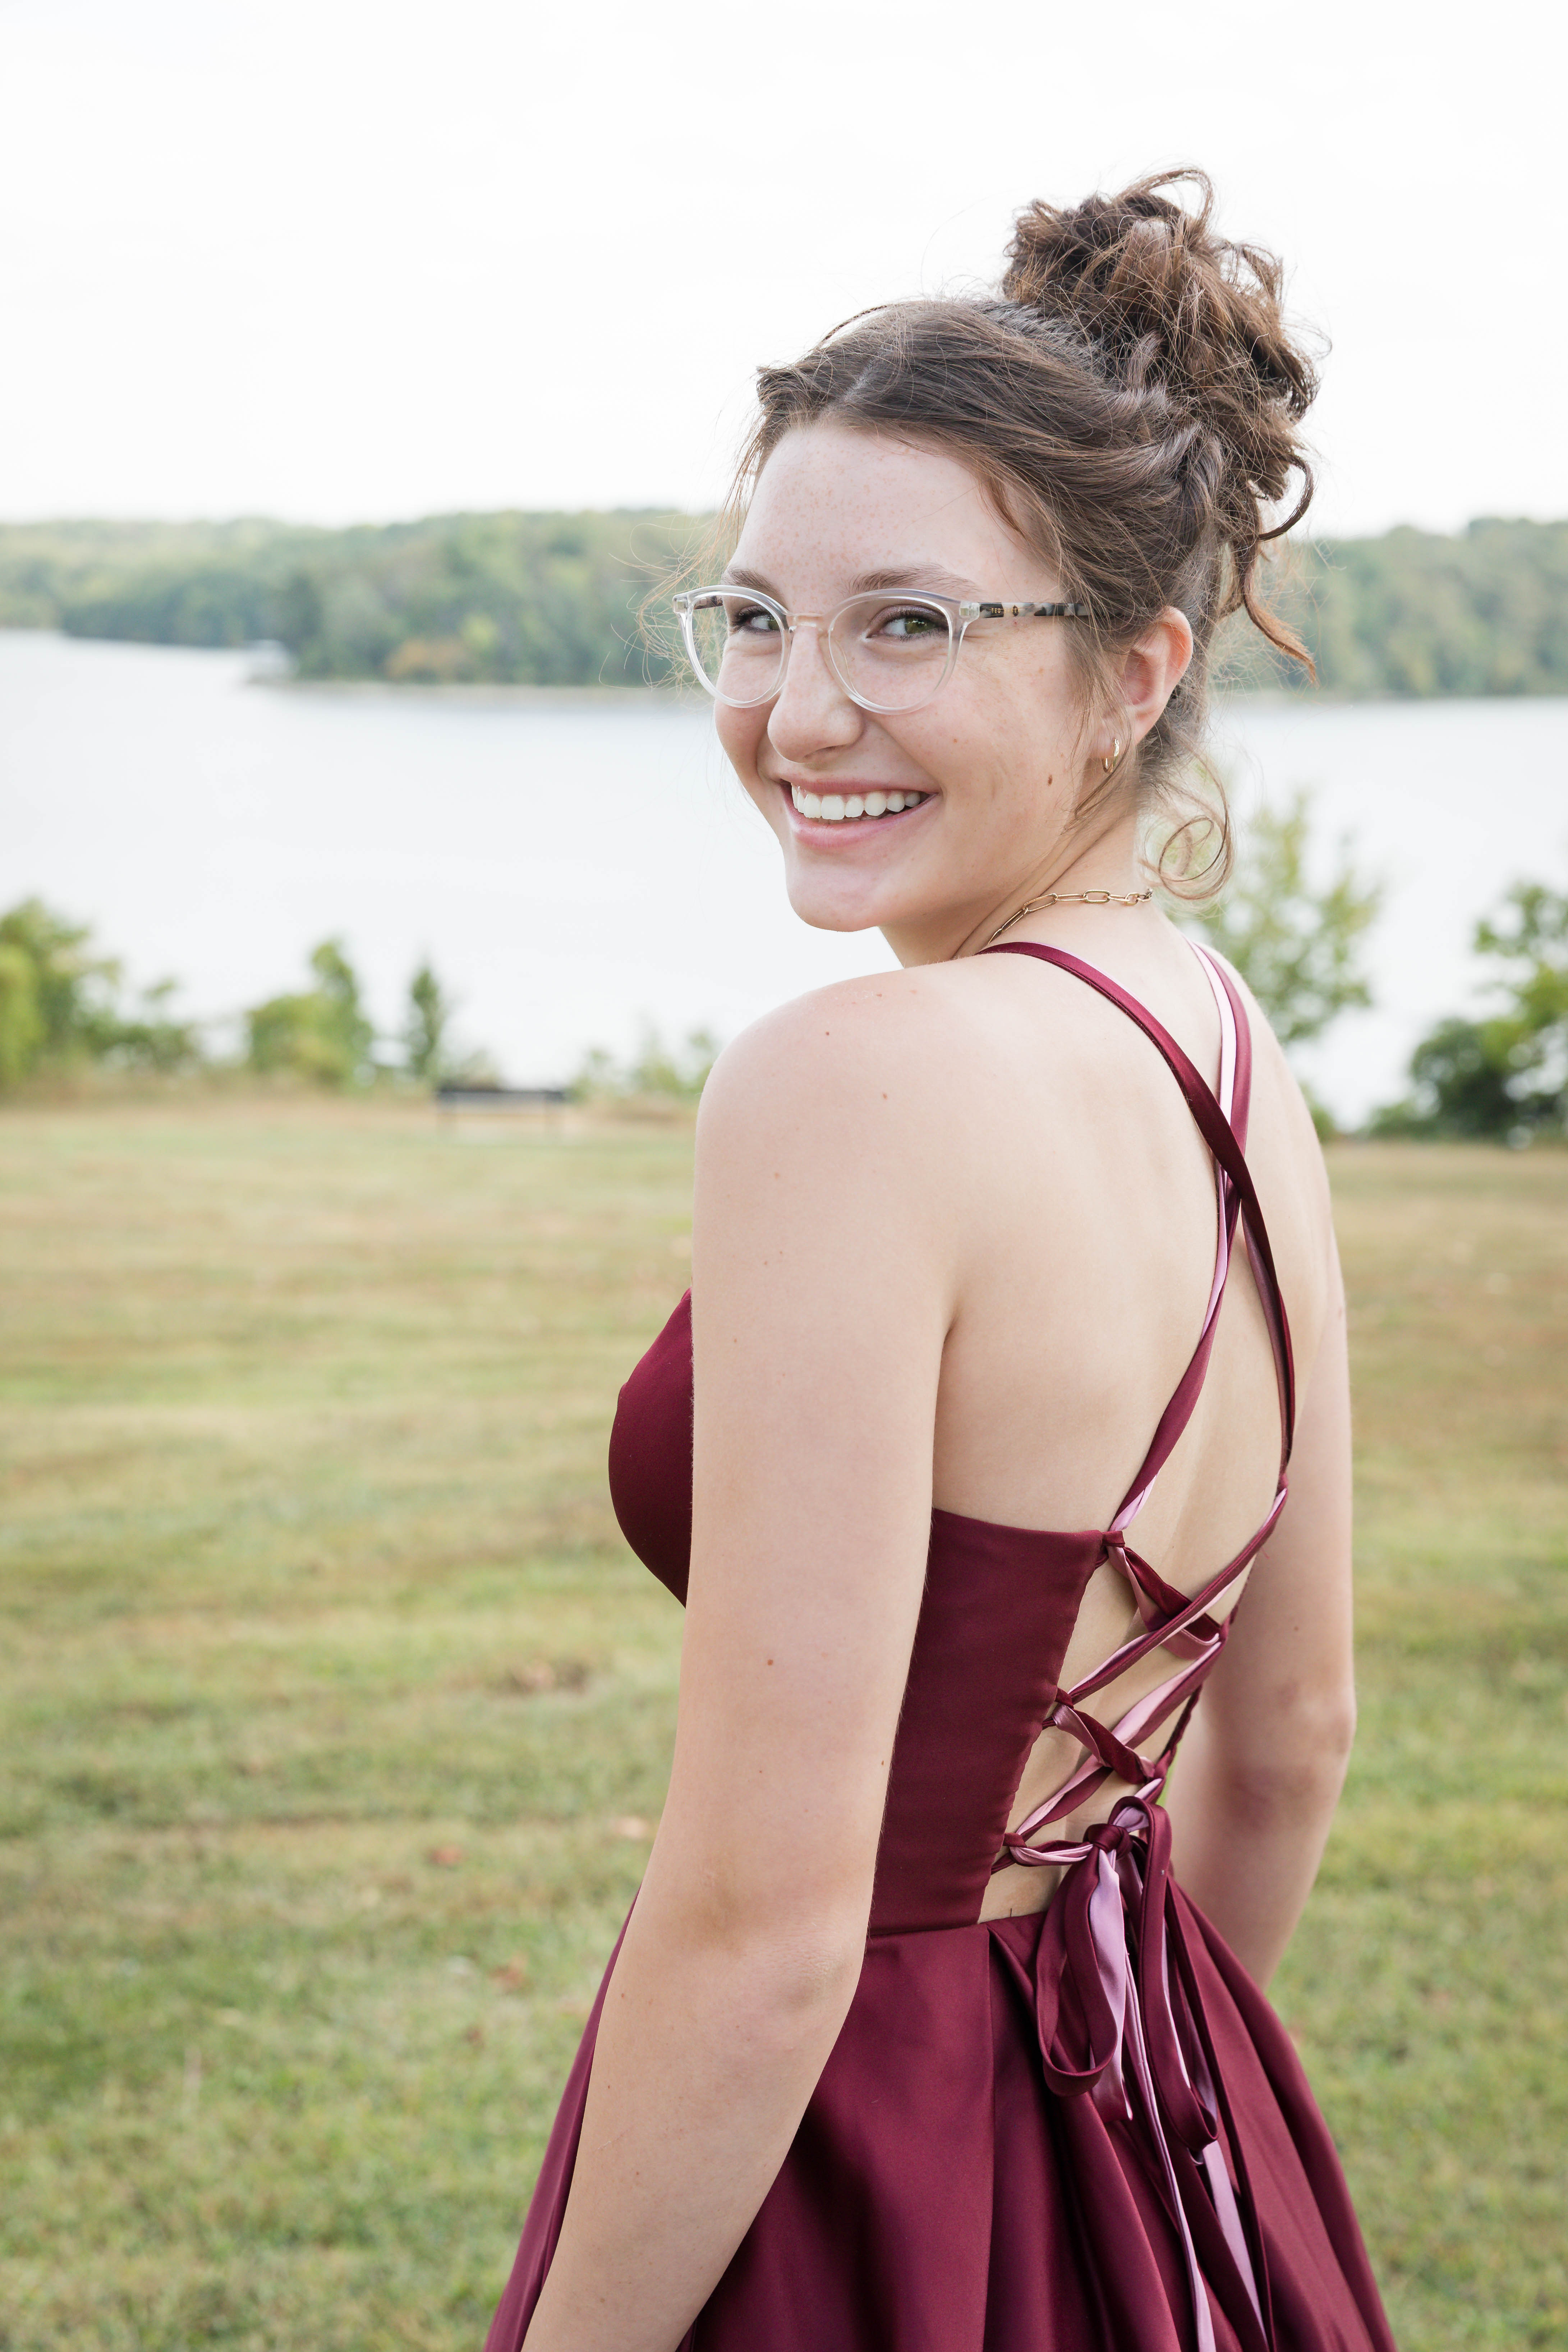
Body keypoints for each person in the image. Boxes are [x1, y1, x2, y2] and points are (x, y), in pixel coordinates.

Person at [486, 171, 1397, 2352]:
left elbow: (768, 1923)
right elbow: (1291, 1740)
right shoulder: (1221, 1038)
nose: (798, 710)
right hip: (1163, 2128)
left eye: (908, 624)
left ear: (1131, 672)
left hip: (843, 2165)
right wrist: (1101, 2150)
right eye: (756, 616)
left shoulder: (849, 1083)